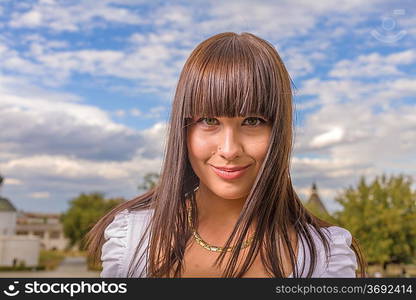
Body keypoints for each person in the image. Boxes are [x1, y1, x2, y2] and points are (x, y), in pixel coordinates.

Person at [85, 32, 366, 278]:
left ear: (280, 131)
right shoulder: (132, 241)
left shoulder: (324, 259)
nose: (230, 150)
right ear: (183, 128)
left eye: (252, 121)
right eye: (209, 120)